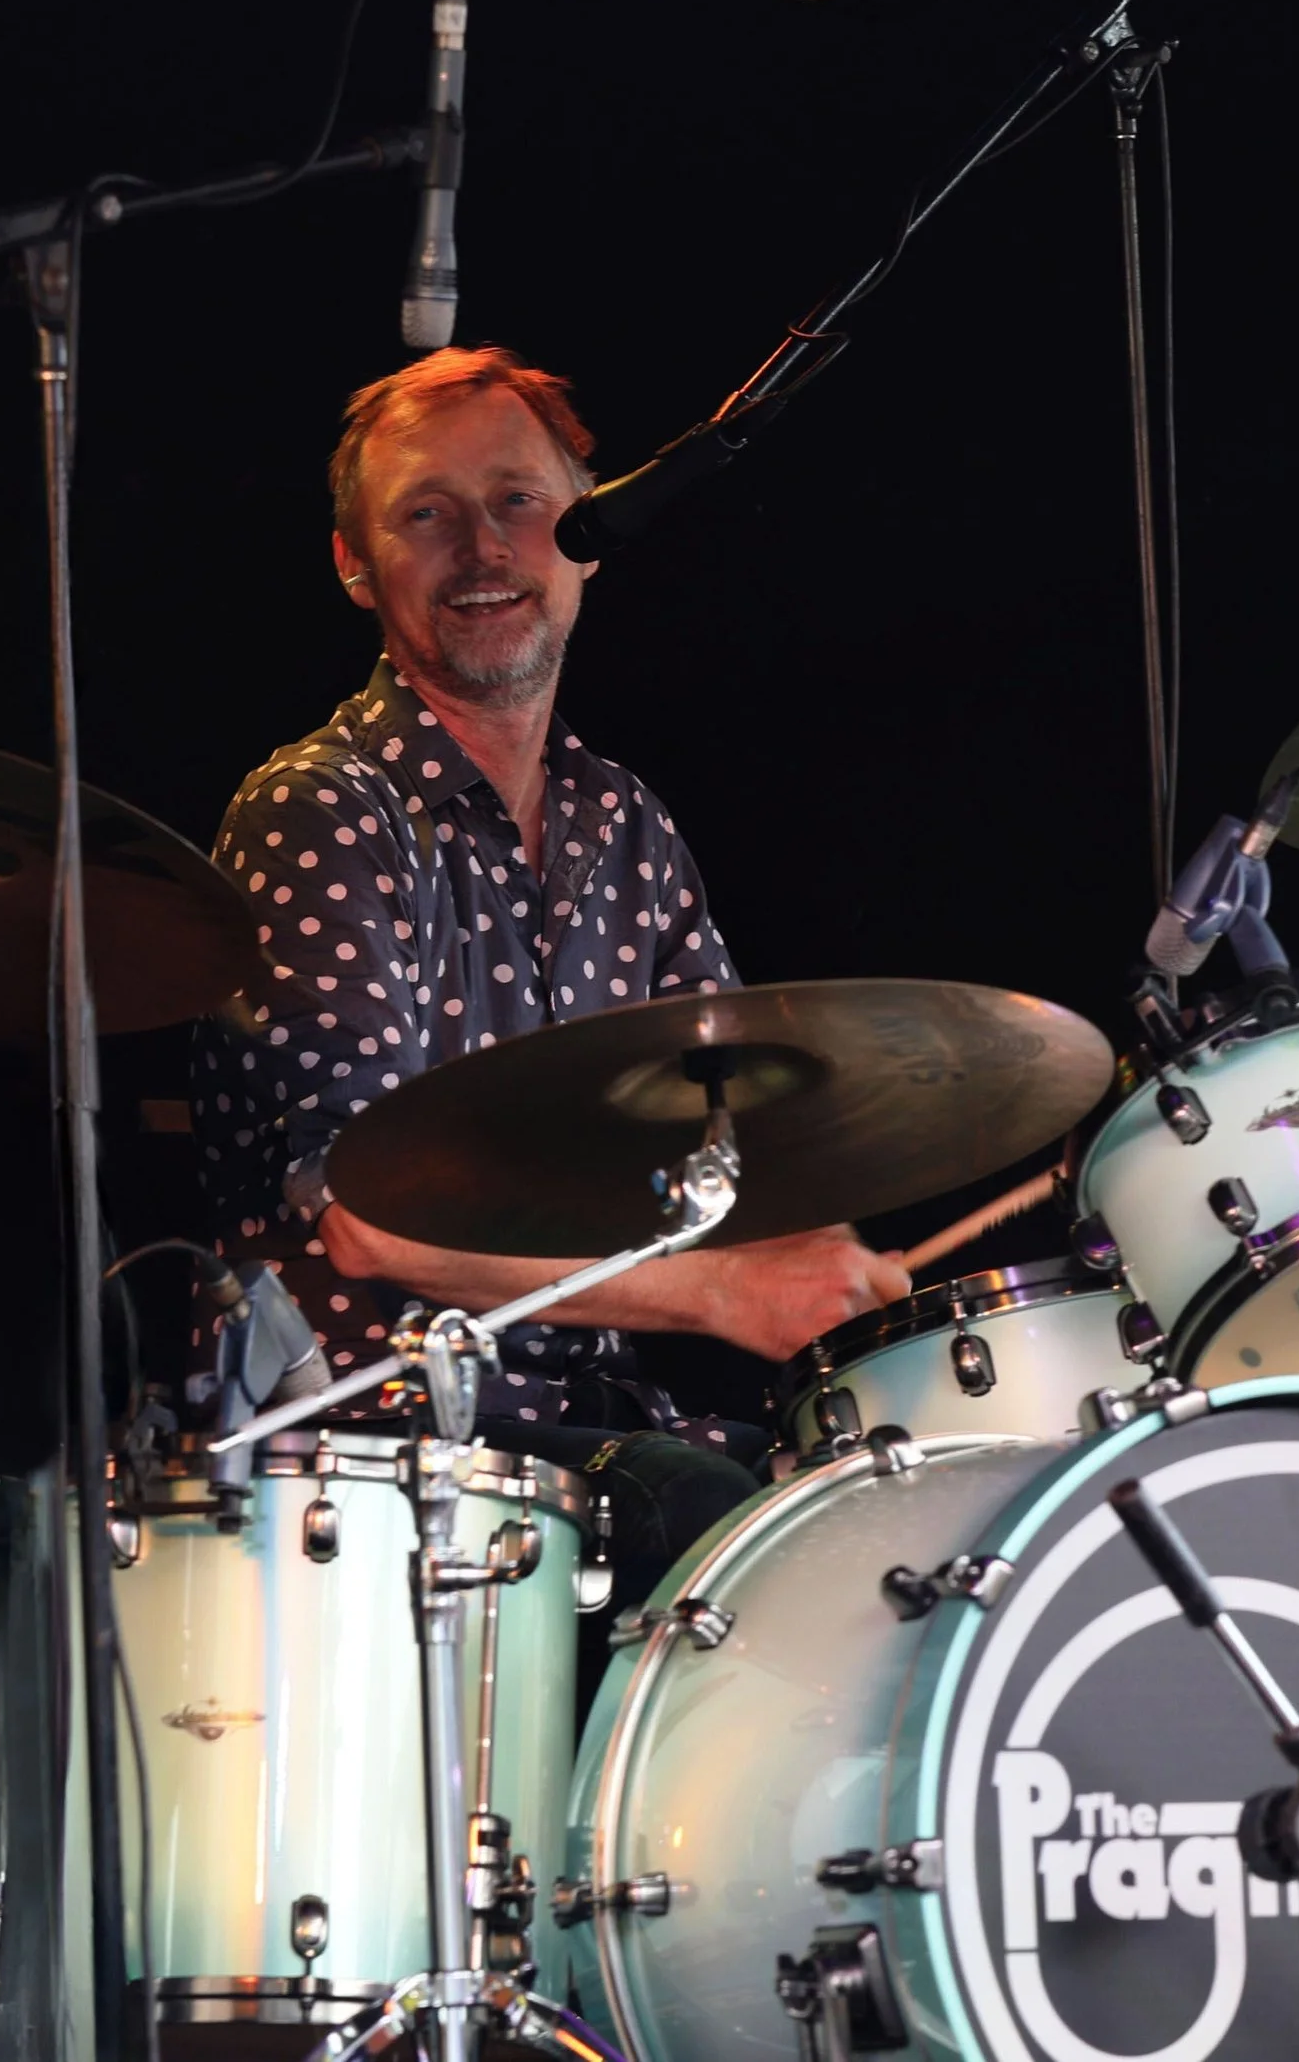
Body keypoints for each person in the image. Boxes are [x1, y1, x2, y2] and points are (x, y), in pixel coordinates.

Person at [190, 346, 910, 1615]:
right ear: (355, 564)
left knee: (872, 1503)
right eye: (426, 512)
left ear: (586, 538)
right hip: (363, 1452)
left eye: (521, 501)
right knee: (704, 1512)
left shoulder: (624, 823)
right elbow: (363, 1215)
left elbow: (733, 1153)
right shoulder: (319, 809)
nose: (482, 548)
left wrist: (844, 1271)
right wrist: (728, 1289)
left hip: (597, 1429)